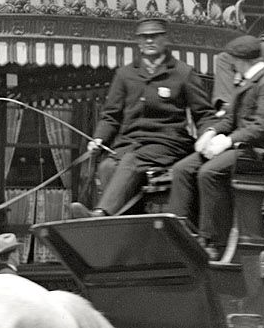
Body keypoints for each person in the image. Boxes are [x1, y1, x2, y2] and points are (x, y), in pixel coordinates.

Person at [82, 16, 211, 216]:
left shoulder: (183, 73)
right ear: (138, 42)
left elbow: (203, 113)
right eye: (144, 37)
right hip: (130, 143)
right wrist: (99, 138)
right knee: (107, 166)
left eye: (154, 36)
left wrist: (209, 136)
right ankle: (127, 225)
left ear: (166, 39)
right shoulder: (125, 74)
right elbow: (110, 115)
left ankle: (101, 214)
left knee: (132, 161)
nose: (149, 41)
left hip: (167, 144)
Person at [170, 34, 264, 260]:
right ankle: (177, 232)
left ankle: (211, 241)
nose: (231, 65)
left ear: (243, 60)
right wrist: (212, 132)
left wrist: (229, 140)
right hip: (241, 149)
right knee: (182, 169)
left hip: (260, 153)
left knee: (209, 172)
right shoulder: (248, 82)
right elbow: (230, 120)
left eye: (234, 61)